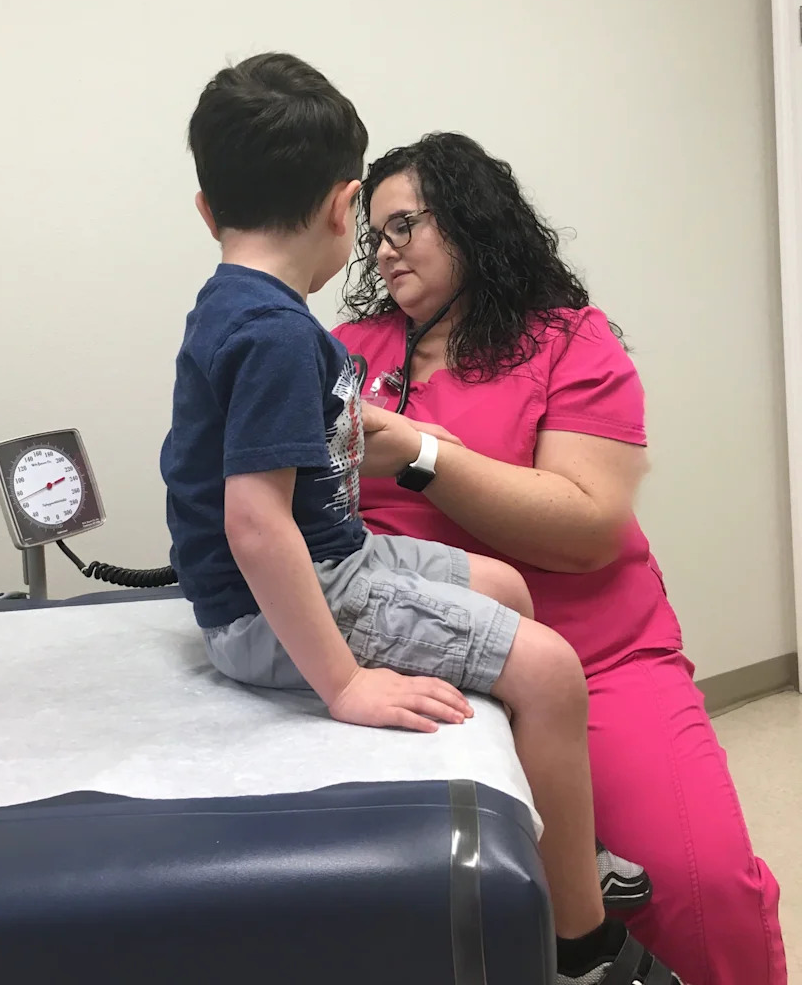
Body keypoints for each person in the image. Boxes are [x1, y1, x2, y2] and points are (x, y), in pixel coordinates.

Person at [161, 52, 688, 985]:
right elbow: (255, 526)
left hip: (338, 561)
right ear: (341, 205)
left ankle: (553, 834)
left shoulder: (239, 310)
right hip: (293, 598)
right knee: (553, 671)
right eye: (377, 226)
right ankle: (581, 943)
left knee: (508, 586)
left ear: (208, 210)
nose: (383, 249)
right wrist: (344, 686)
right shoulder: (282, 334)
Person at [333, 131, 787, 985]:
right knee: (413, 908)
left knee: (697, 889)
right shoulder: (352, 351)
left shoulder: (568, 341)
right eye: (373, 234)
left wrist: (424, 458)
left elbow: (586, 526)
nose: (383, 250)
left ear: (469, 222)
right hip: (421, 660)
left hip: (598, 657)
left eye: (403, 226)